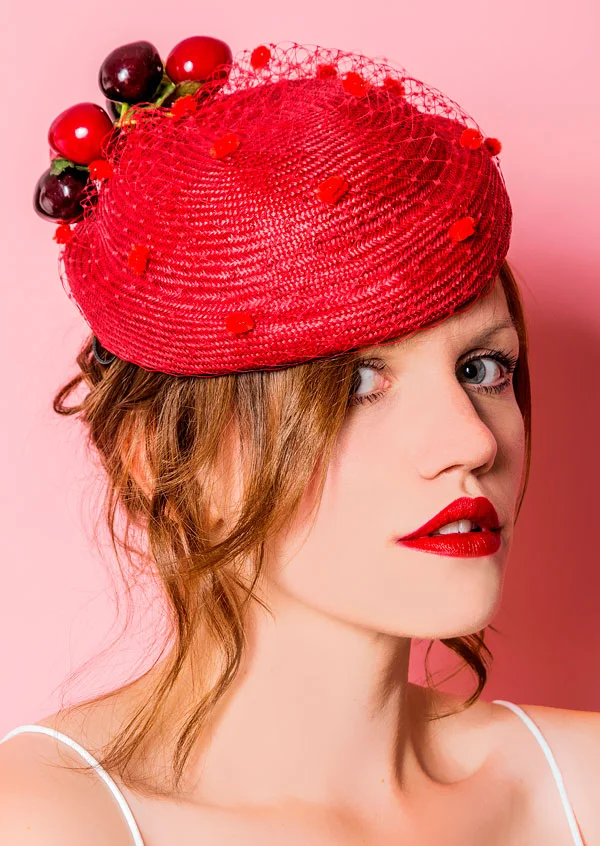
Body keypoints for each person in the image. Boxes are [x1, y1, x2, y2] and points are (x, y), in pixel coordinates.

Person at [1, 37, 598, 846]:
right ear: (157, 460)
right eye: (356, 384)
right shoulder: (47, 825)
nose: (472, 441)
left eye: (485, 367)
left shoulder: (579, 785)